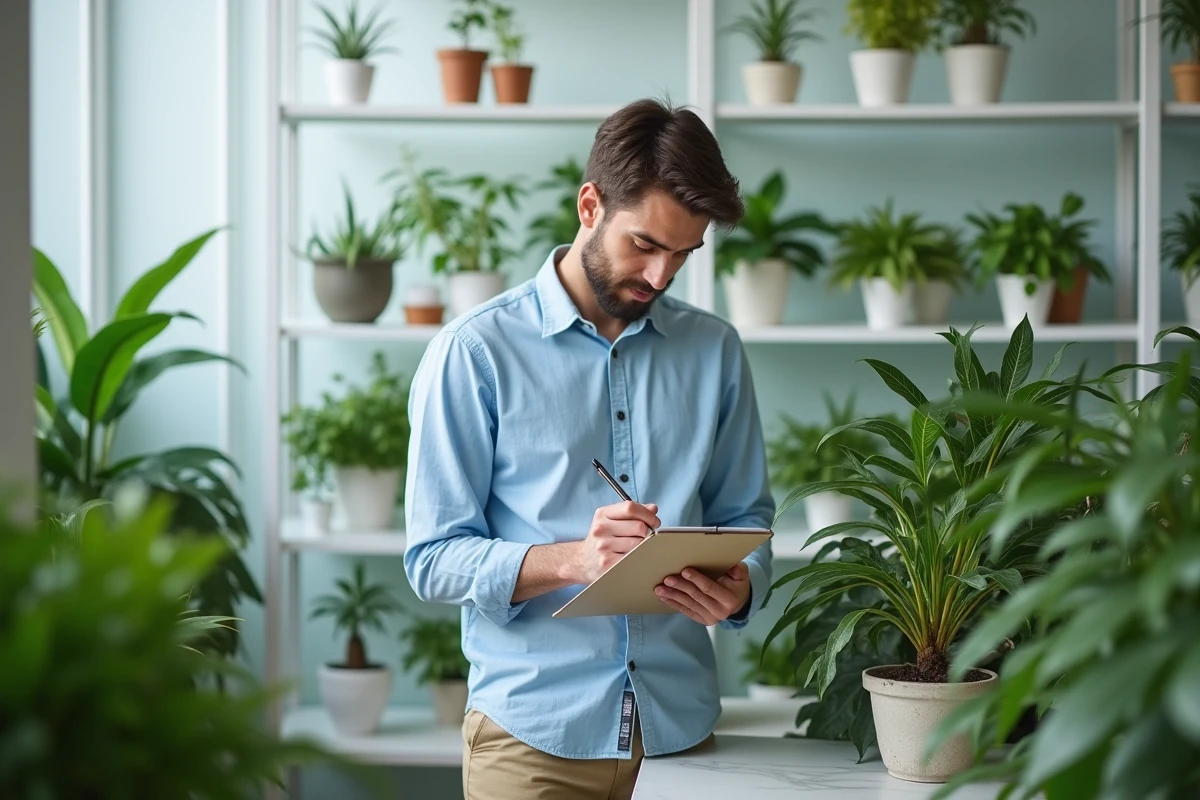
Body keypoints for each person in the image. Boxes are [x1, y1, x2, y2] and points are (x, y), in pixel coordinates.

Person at [403, 97, 776, 800]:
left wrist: (741, 585)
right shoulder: (474, 352)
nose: (662, 276)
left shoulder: (715, 351)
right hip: (530, 744)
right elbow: (431, 560)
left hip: (681, 736)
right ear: (589, 206)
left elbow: (748, 516)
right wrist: (576, 559)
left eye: (684, 254)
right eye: (645, 245)